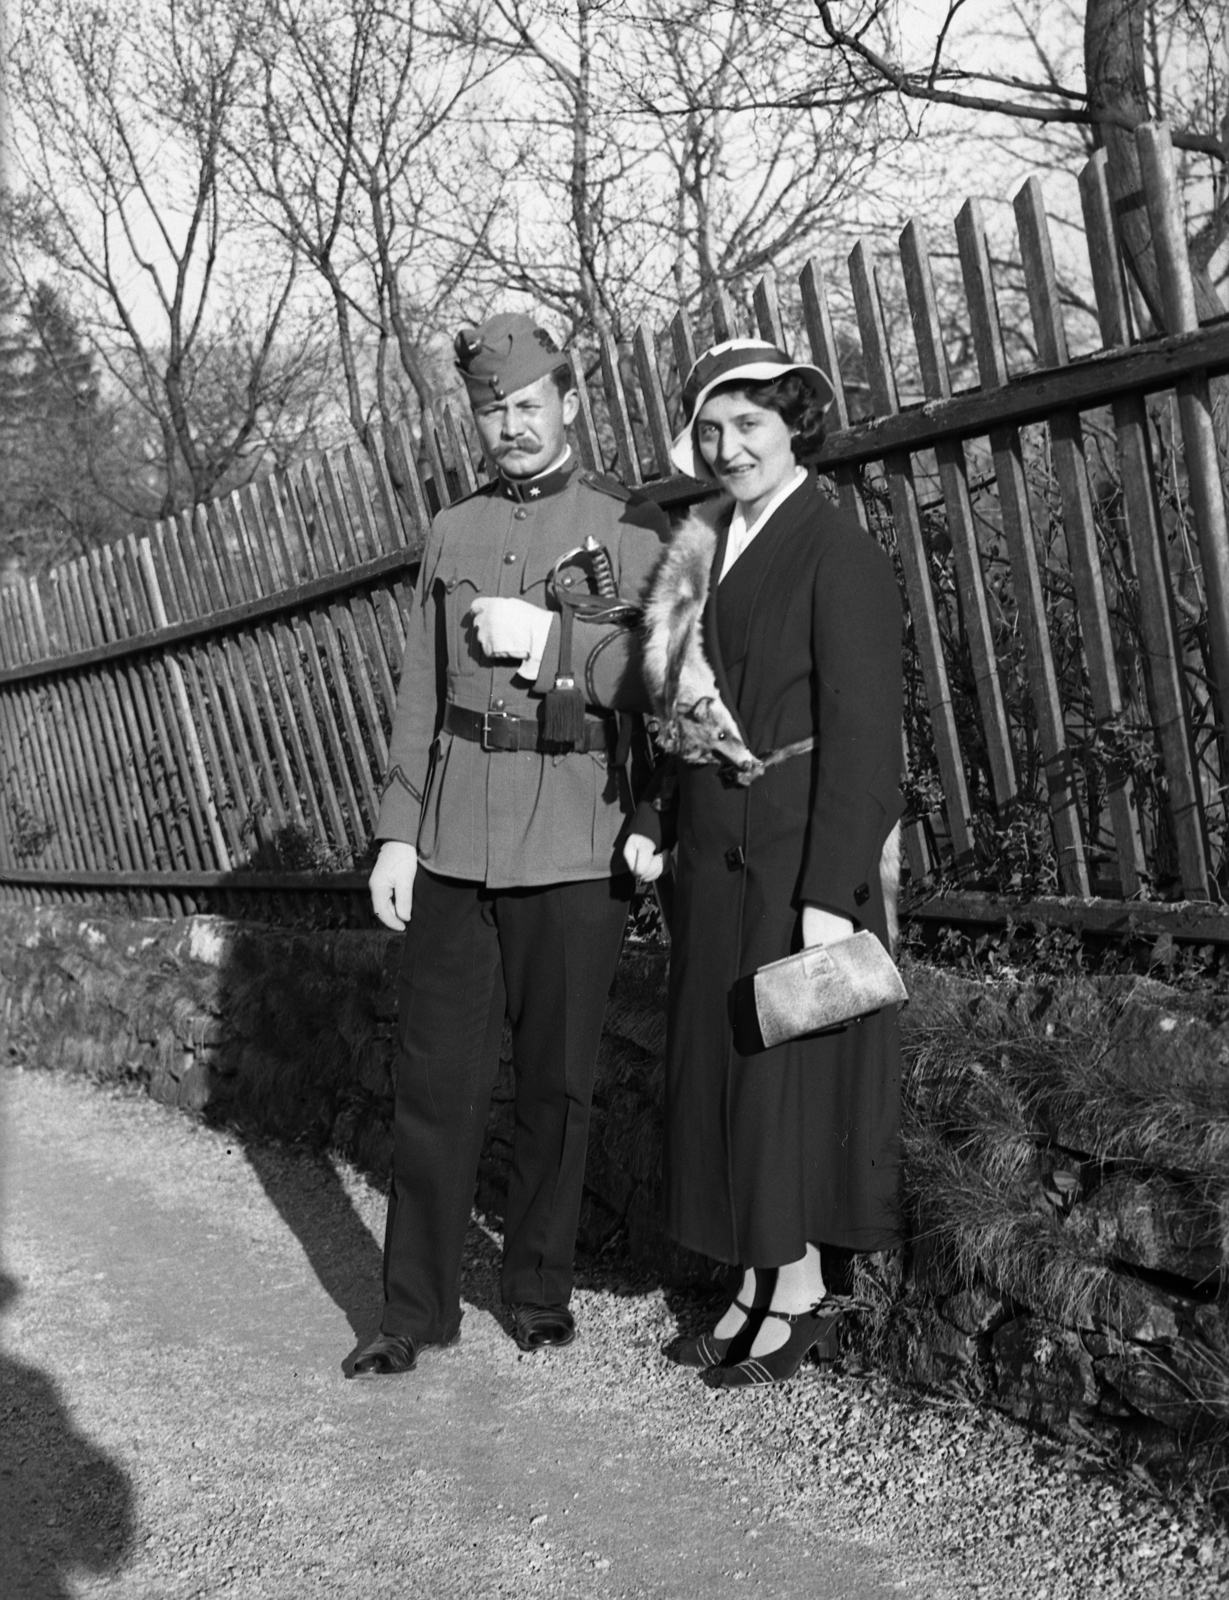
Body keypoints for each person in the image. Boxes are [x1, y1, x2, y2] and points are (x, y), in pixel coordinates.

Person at [355, 312, 668, 1376]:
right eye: (493, 410)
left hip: (575, 828)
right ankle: (411, 1312)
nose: (512, 425)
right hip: (451, 833)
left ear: (568, 401)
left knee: (555, 1080)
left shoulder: (629, 522)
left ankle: (534, 1287)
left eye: (529, 405)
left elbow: (660, 677)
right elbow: (417, 694)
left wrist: (555, 646)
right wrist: (397, 833)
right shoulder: (450, 530)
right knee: (432, 1082)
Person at [623, 338, 904, 1388]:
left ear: (794, 423)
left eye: (749, 423)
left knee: (782, 1076)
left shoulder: (837, 553)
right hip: (709, 855)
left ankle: (793, 1288)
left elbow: (867, 737)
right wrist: (654, 813)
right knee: (725, 1071)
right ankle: (753, 1272)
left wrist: (830, 893)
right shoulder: (699, 547)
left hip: (792, 855)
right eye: (710, 428)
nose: (727, 445)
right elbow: (673, 703)